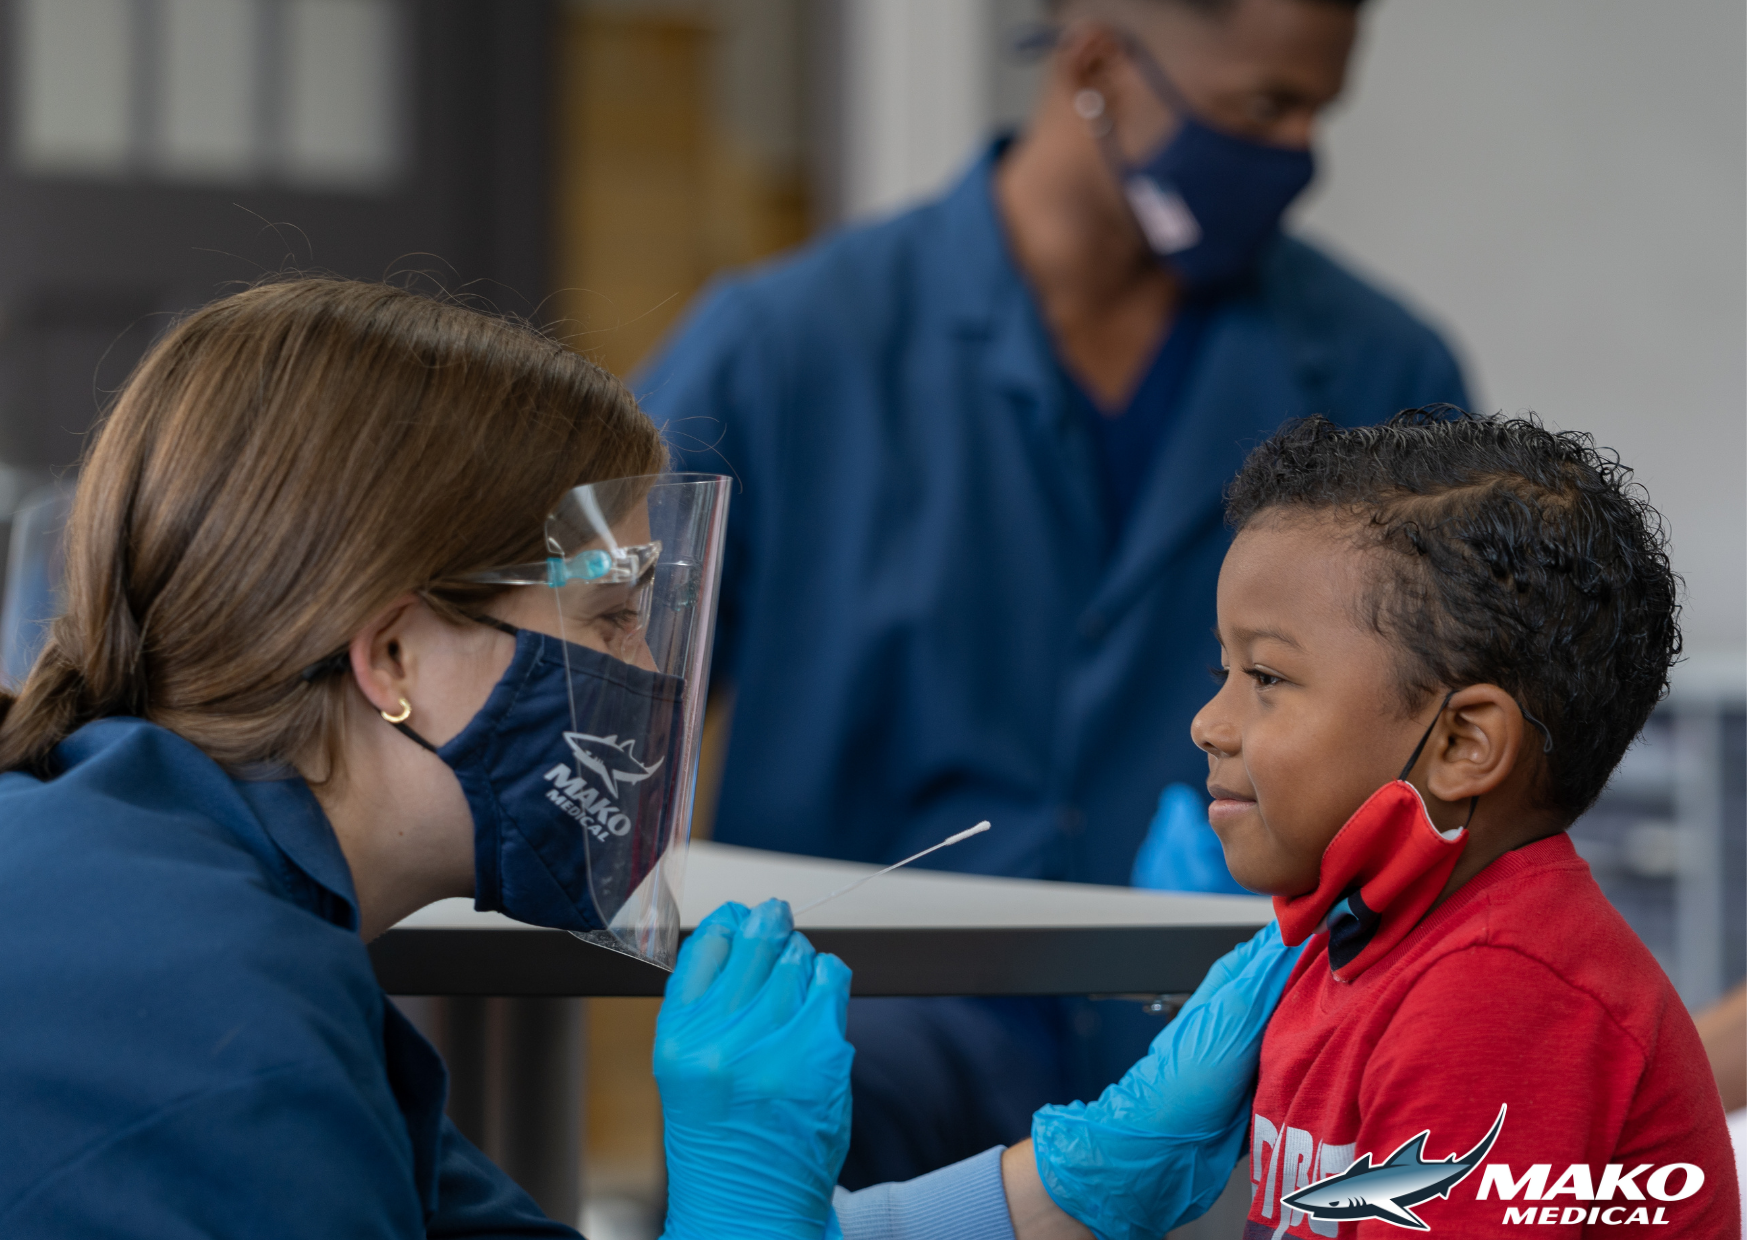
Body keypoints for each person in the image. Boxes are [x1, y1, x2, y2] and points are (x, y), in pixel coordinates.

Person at [0, 276, 1297, 1239]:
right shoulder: (214, 1041)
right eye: (608, 616)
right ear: (392, 658)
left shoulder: (208, 915)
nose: (651, 678)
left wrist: (1067, 1179)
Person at [638, 0, 1468, 1182]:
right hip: (853, 1076)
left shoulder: (1383, 374)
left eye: (1315, 114)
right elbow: (579, 691)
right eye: (1260, 110)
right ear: (1094, 65)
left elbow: (1455, 771)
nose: (1293, 159)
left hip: (1240, 1065)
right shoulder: (783, 352)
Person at [1189, 411, 1739, 1236]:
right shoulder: (1366, 939)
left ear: (1462, 743)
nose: (1209, 722)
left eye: (1265, 675)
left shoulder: (1498, 996)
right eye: (1223, 669)